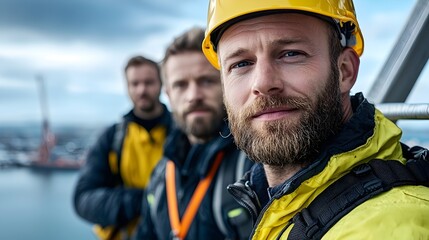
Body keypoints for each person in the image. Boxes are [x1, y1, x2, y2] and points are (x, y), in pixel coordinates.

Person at [202, 1, 429, 239]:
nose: (263, 83)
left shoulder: (388, 227)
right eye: (241, 64)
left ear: (345, 71)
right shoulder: (275, 203)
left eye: (291, 54)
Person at [134, 27, 253, 240]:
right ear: (168, 95)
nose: (193, 95)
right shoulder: (161, 176)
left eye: (206, 81)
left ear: (226, 83)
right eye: (180, 85)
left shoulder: (256, 165)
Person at [73, 56, 172, 240]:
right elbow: (83, 199)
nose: (142, 90)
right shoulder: (111, 138)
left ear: (161, 84)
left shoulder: (182, 133)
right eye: (135, 83)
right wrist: (140, 201)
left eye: (148, 82)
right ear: (127, 87)